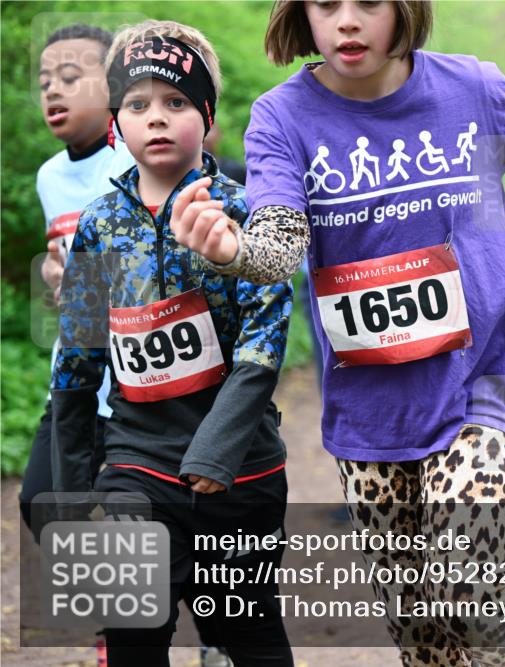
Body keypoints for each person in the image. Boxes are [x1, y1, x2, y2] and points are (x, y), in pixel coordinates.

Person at [168, 2, 505, 665]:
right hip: (370, 407)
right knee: (421, 633)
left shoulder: (471, 87)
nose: (347, 22)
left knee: (465, 581)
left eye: (368, 4)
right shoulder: (282, 115)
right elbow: (279, 245)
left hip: (481, 379)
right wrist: (230, 249)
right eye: (327, 5)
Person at [51, 20, 294, 666]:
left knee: (247, 632)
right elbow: (79, 350)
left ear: (208, 116)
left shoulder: (242, 213)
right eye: (137, 104)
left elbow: (265, 342)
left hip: (240, 470)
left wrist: (217, 451)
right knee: (132, 633)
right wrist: (69, 470)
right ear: (115, 122)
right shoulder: (101, 223)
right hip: (136, 461)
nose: (156, 118)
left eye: (177, 102)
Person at [19, 24, 133, 535]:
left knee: (138, 515)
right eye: (45, 82)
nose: (53, 90)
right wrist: (52, 276)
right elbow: (59, 280)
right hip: (73, 380)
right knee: (42, 507)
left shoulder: (136, 158)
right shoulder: (49, 177)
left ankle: (143, 607)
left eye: (69, 76)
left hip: (137, 383)